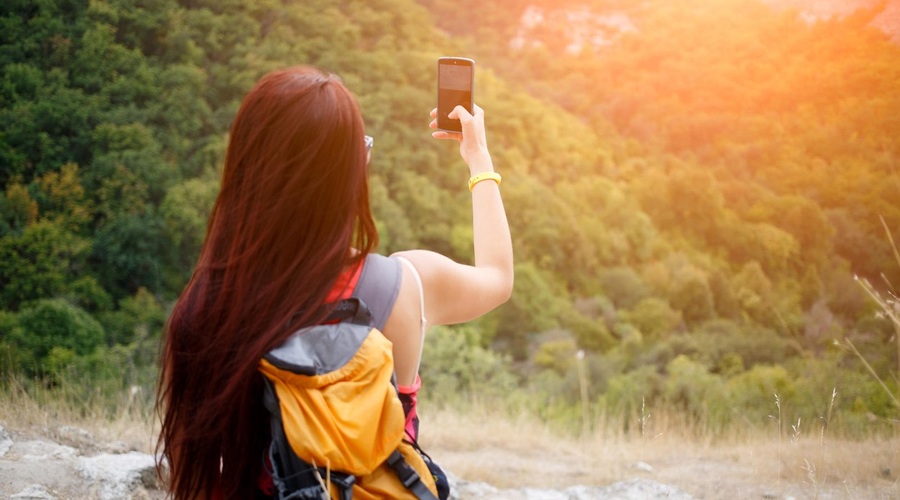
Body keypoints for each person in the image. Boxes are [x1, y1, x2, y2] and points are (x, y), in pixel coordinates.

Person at [156, 66, 513, 499]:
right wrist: (479, 157)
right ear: (348, 174)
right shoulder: (400, 286)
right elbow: (498, 279)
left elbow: (191, 483)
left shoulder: (202, 312)